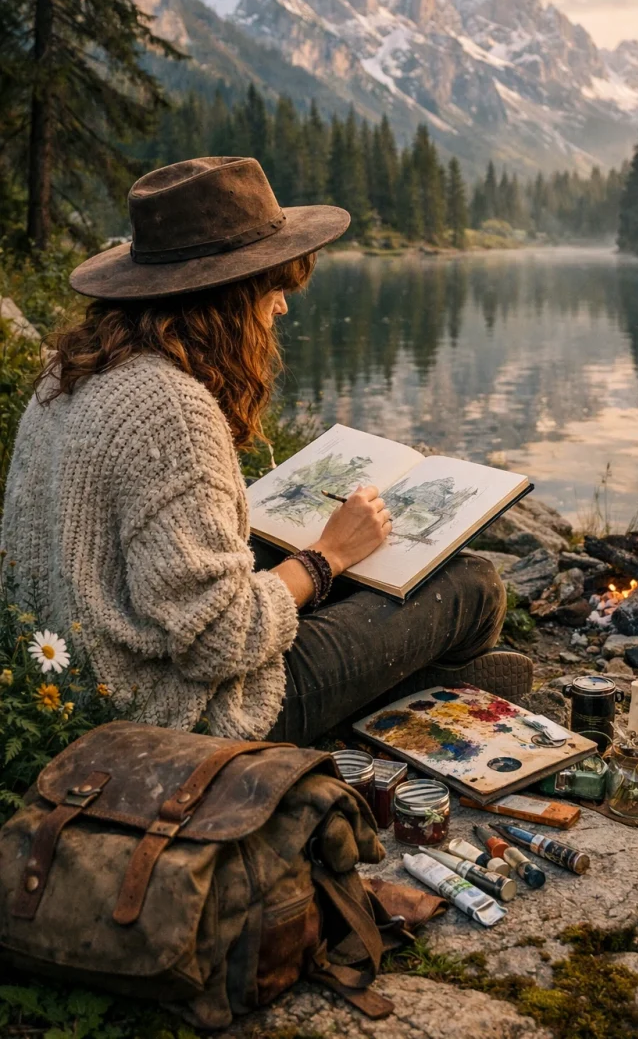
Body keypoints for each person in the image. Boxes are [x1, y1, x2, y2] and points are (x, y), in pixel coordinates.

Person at [2, 156, 533, 745]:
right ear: (228, 296)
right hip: (182, 714)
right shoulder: (172, 408)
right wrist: (327, 557)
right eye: (273, 287)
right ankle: (416, 689)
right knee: (470, 586)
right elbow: (218, 643)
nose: (281, 306)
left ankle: (404, 681)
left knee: (346, 566)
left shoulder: (68, 372)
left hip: (72, 673)